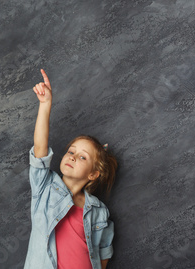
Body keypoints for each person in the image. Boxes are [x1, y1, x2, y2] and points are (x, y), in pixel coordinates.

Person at [24, 69, 118, 269]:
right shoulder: (44, 187)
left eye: (83, 157)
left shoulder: (98, 211)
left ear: (93, 174)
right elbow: (40, 148)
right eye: (71, 151)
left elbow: (104, 251)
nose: (72, 156)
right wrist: (45, 104)